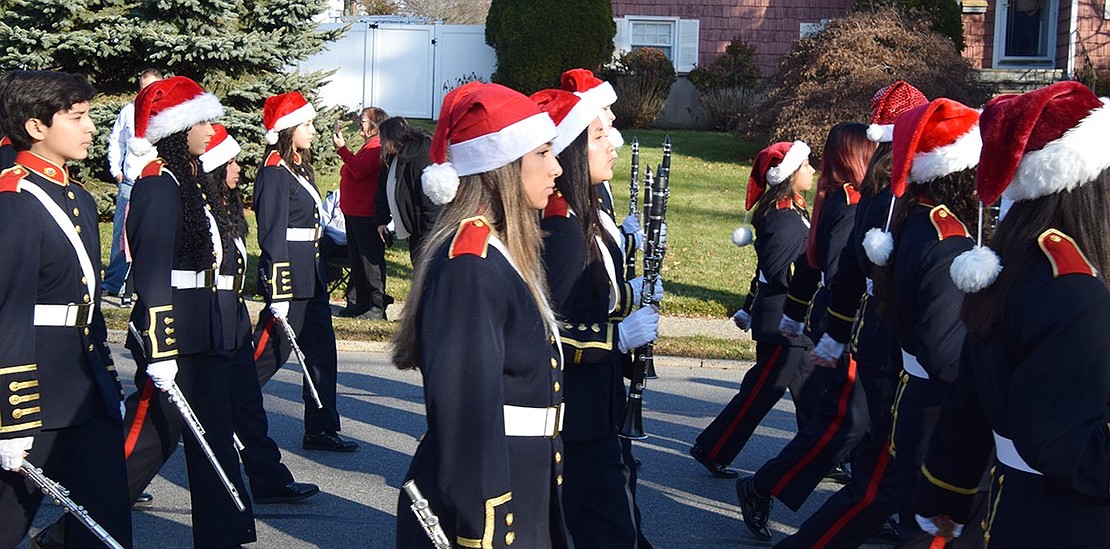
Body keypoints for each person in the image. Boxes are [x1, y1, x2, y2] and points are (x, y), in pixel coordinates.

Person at [914, 81, 1110, 547]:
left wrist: (947, 494)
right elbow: (1062, 441)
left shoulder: (1017, 263)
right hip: (1064, 519)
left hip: (1012, 505)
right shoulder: (1074, 289)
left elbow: (968, 401)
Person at [393, 82, 567, 549]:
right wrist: (486, 526)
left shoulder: (499, 251)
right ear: (503, 166)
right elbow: (468, 414)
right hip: (490, 506)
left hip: (524, 479)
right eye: (544, 153)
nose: (557, 168)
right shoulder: (470, 264)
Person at [776, 81, 928, 547]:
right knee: (870, 452)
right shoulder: (881, 199)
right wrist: (833, 333)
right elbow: (842, 269)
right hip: (888, 342)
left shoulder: (874, 194)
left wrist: (834, 333)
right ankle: (769, 490)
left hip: (876, 336)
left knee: (871, 450)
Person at [118, 75, 256, 548]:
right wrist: (160, 349)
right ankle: (73, 530)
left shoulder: (189, 181)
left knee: (216, 437)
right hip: (175, 332)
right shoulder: (160, 183)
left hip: (207, 328)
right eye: (202, 119)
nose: (210, 125)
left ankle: (224, 536)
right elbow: (154, 272)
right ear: (178, 128)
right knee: (149, 442)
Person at [0, 70, 132, 549]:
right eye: (77, 118)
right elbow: (9, 310)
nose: (91, 127)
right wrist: (10, 417)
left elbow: (86, 301)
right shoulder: (14, 200)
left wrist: (107, 380)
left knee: (107, 518)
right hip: (35, 393)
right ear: (37, 127)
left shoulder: (76, 196)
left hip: (84, 383)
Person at [734, 122, 876, 541]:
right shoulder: (848, 203)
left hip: (845, 330)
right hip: (849, 331)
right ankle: (762, 486)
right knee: (842, 427)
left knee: (860, 428)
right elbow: (836, 273)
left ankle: (872, 502)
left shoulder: (840, 199)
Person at [532, 88, 660, 548]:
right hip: (577, 413)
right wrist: (618, 337)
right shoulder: (563, 226)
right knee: (607, 528)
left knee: (620, 521)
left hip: (598, 404)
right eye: (599, 135)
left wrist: (631, 295)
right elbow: (549, 332)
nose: (614, 143)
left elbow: (596, 293)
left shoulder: (584, 210)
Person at [690, 141, 816, 482]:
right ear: (789, 174)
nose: (812, 171)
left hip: (790, 322)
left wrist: (749, 304)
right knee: (760, 394)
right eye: (806, 166)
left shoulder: (792, 211)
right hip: (782, 324)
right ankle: (713, 447)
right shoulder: (784, 216)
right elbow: (779, 271)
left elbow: (765, 271)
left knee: (811, 392)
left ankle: (823, 451)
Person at [252, 91, 358, 452]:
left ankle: (322, 426)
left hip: (311, 275)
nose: (313, 130)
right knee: (266, 356)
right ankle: (228, 414)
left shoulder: (298, 166)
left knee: (322, 353)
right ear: (287, 128)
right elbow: (272, 234)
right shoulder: (274, 171)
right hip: (290, 281)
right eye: (307, 124)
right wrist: (278, 289)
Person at [102, 68, 163, 304]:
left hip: (156, 182)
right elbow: (116, 140)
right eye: (144, 87)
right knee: (121, 234)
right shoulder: (129, 111)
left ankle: (150, 280)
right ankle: (115, 282)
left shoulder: (166, 113)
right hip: (129, 182)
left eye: (154, 88)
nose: (149, 92)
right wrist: (115, 170)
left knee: (155, 234)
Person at [333, 106, 391, 319]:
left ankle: (376, 306)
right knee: (357, 260)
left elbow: (358, 170)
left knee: (370, 261)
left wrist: (342, 149)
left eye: (364, 120)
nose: (360, 122)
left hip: (366, 214)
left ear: (375, 126)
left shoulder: (376, 147)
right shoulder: (368, 147)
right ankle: (359, 302)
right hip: (354, 212)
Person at [374, 116, 437, 267]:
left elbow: (430, 199)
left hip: (425, 232)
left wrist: (429, 234)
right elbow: (383, 190)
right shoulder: (392, 158)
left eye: (383, 139)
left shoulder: (420, 158)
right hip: (414, 232)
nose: (381, 143)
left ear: (392, 137)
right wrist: (381, 220)